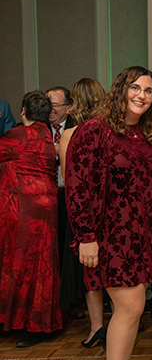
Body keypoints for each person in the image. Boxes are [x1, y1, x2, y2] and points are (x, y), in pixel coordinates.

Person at [66, 66, 152, 360]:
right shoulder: (95, 130)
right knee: (131, 306)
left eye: (149, 91)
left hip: (140, 236)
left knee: (132, 310)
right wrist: (86, 237)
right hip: (110, 236)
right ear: (121, 89)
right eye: (136, 87)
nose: (142, 95)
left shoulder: (146, 133)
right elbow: (77, 186)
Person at [0, 90, 62, 347]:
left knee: (17, 265)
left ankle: (20, 323)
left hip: (23, 211)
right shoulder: (49, 137)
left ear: (23, 111)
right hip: (47, 210)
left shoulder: (16, 136)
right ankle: (39, 323)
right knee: (43, 266)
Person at [58, 78, 107, 348]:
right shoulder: (109, 128)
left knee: (90, 271)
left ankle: (96, 327)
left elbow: (69, 177)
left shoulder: (70, 134)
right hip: (106, 211)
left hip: (81, 212)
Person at [46, 87, 74, 270]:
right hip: (46, 198)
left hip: (68, 197)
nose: (50, 109)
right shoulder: (36, 128)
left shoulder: (78, 128)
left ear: (69, 108)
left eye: (55, 105)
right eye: (47, 104)